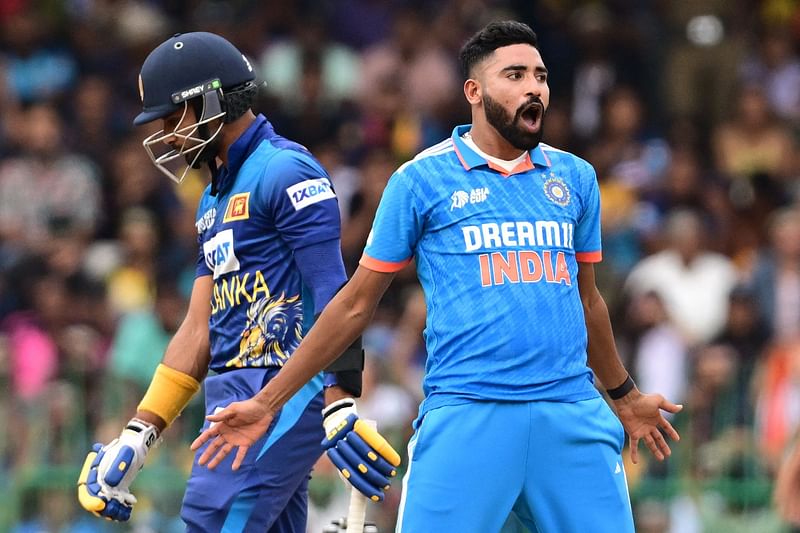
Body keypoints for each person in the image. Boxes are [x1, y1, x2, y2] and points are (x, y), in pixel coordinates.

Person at [191, 21, 682, 532]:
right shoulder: (419, 180)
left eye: (540, 76)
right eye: (514, 75)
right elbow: (355, 304)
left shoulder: (576, 178)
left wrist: (625, 397)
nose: (534, 87)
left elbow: (588, 303)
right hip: (468, 413)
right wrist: (269, 403)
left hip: (571, 413)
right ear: (474, 91)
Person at [76, 32, 383, 532]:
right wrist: (139, 432)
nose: (169, 136)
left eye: (174, 118)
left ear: (213, 101)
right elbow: (199, 329)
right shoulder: (211, 200)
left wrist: (339, 400)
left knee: (207, 522)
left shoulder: (284, 170)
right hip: (231, 396)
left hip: (282, 390)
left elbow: (336, 294)